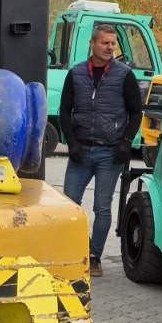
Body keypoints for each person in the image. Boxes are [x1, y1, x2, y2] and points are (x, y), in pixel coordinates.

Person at [58, 23, 142, 275]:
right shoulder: (75, 74)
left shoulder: (124, 75)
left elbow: (136, 112)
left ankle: (94, 256)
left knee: (102, 207)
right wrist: (71, 142)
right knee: (69, 204)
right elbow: (64, 111)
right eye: (105, 42)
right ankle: (79, 249)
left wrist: (126, 142)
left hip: (110, 153)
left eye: (113, 43)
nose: (110, 47)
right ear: (92, 44)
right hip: (81, 151)